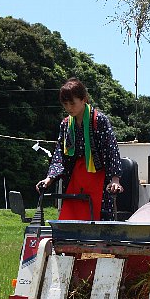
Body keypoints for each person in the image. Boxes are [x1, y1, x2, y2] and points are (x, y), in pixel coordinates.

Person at [36, 78, 123, 221]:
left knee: (96, 219)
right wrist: (49, 178)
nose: (69, 108)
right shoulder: (65, 124)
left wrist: (115, 180)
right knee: (72, 218)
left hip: (98, 176)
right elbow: (60, 154)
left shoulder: (99, 120)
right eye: (65, 104)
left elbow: (111, 150)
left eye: (72, 103)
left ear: (84, 99)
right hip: (75, 178)